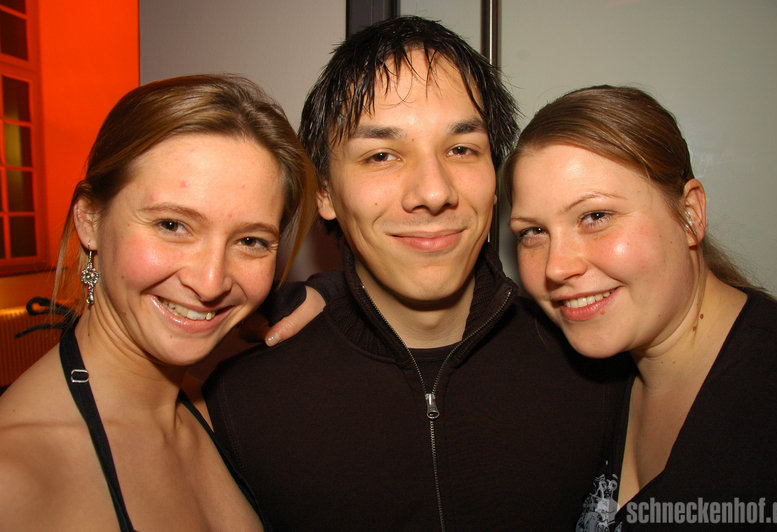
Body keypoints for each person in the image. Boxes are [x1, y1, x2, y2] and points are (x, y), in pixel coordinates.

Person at [204, 17, 629, 530]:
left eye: (461, 149)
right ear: (326, 193)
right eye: (382, 155)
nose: (433, 191)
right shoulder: (239, 404)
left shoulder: (598, 368)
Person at [0, 74, 316, 530]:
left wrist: (331, 298)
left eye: (250, 240)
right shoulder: (17, 480)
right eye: (172, 225)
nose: (210, 282)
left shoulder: (224, 411)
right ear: (90, 220)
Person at [505, 85, 777, 530]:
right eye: (532, 232)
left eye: (596, 216)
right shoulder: (592, 380)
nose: (556, 267)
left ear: (690, 214)